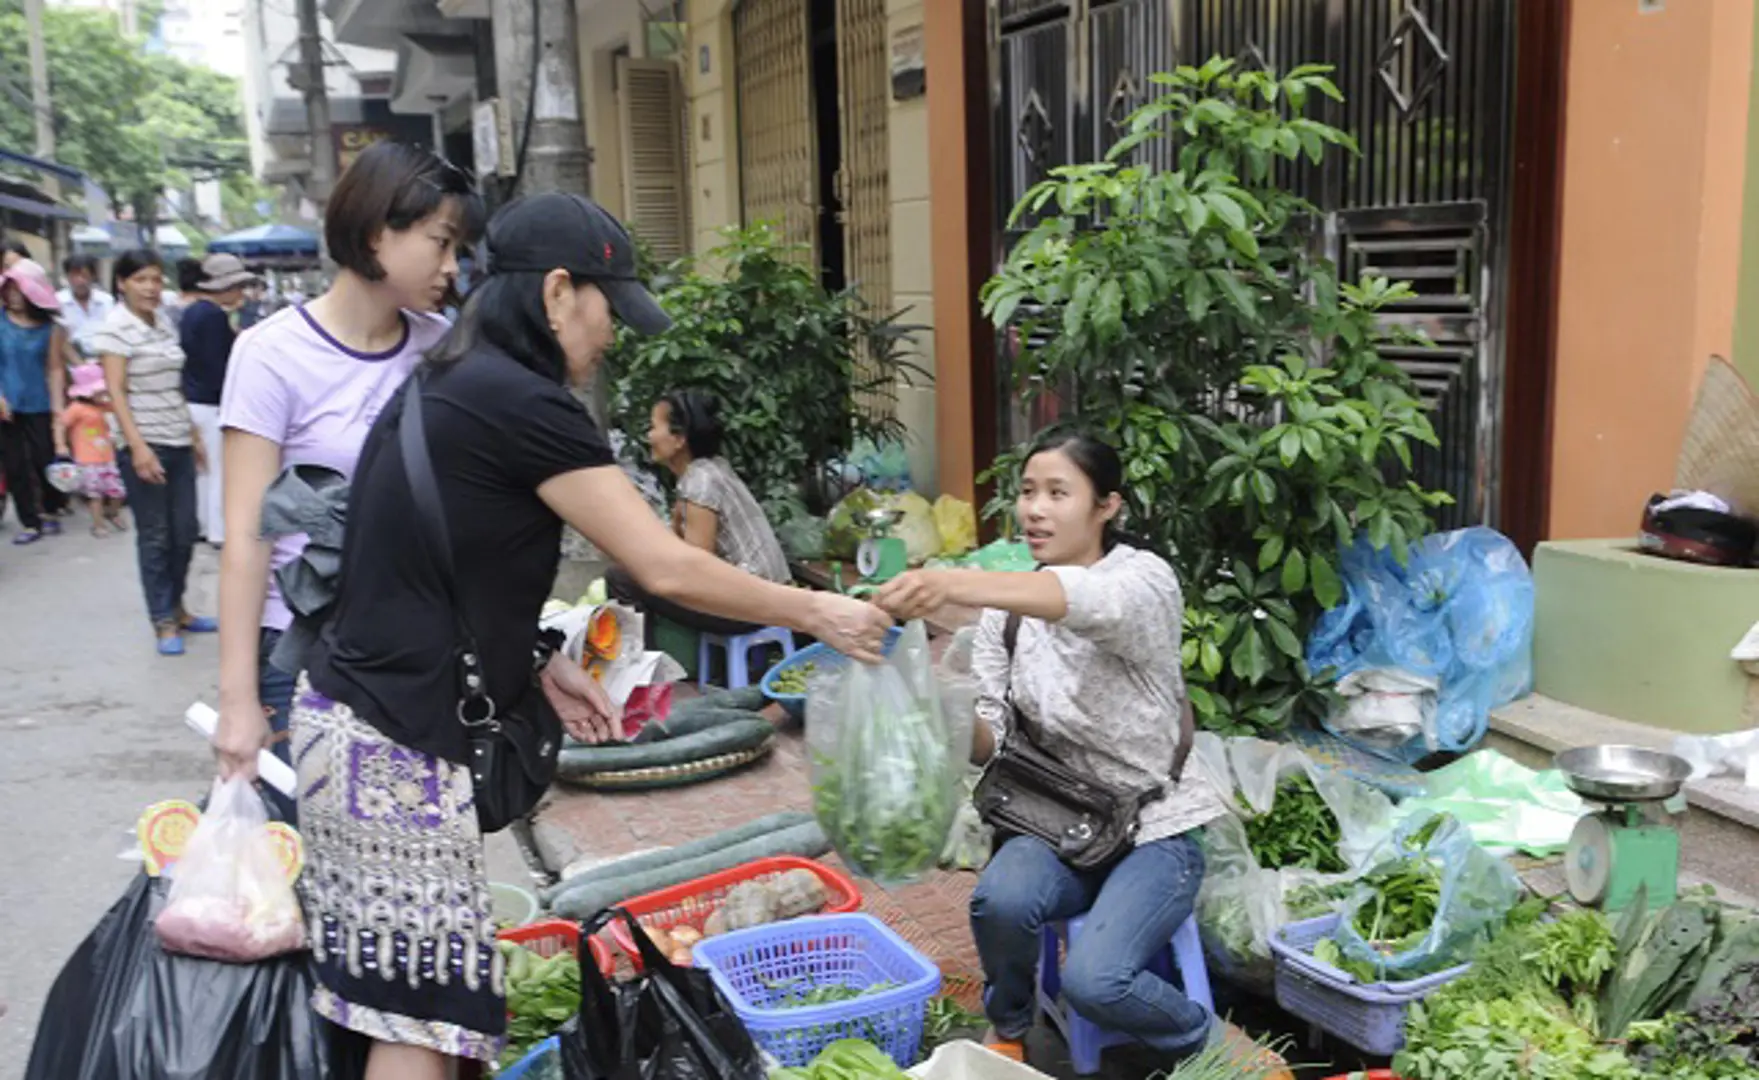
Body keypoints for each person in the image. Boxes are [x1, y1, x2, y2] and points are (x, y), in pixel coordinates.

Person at [212, 191, 893, 1080]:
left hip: (357, 728)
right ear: (560, 293)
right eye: (609, 310)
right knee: (420, 1021)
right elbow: (666, 566)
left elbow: (437, 563)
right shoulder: (522, 402)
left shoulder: (453, 375)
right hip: (393, 749)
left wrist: (535, 662)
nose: (611, 336)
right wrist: (822, 611)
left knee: (425, 1008)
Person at [872, 430, 1281, 1072]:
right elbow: (992, 738)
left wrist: (952, 582)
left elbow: (1083, 602)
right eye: (1028, 492)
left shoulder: (1143, 581)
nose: (1035, 509)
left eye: (1058, 493)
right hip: (1058, 819)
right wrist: (936, 714)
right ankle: (1009, 1025)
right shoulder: (1005, 621)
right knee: (998, 900)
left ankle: (1195, 1036)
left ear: (1106, 506)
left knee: (1097, 983)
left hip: (1154, 831)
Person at [216, 142, 478, 767]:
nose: (452, 268)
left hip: (418, 648)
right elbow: (248, 539)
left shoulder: (443, 347)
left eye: (458, 250)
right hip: (303, 647)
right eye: (441, 243)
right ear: (375, 232)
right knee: (308, 851)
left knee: (408, 854)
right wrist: (238, 702)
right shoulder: (269, 355)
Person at [89, 248, 213, 655]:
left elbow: (176, 383)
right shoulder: (115, 329)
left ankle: (179, 609)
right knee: (156, 536)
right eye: (141, 279)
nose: (151, 288)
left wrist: (193, 435)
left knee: (184, 533)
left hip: (177, 437)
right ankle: (162, 620)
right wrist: (138, 447)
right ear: (122, 283)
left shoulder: (163, 322)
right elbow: (116, 393)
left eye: (157, 280)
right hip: (145, 444)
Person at [607, 390, 791, 641]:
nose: (649, 436)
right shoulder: (710, 469)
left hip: (751, 607)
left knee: (623, 578)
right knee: (638, 572)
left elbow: (695, 565)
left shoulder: (700, 481)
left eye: (653, 427)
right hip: (763, 596)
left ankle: (638, 671)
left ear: (680, 438)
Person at [180, 253, 259, 547]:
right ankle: (218, 530)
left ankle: (202, 525)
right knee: (219, 470)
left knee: (204, 470)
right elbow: (218, 367)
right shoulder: (212, 316)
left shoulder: (192, 312)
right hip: (212, 402)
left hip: (194, 400)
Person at [0, 259, 71, 542]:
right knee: (14, 464)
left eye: (19, 291)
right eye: (9, 291)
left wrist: (57, 410)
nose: (13, 297)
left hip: (39, 401)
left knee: (45, 457)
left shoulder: (51, 329)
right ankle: (29, 521)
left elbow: (54, 369)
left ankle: (50, 510)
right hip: (6, 404)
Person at [59, 363, 127, 535]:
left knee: (117, 490)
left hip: (108, 457)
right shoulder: (77, 409)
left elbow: (121, 407)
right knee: (94, 494)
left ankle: (113, 512)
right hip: (87, 460)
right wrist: (60, 444)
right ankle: (98, 524)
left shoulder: (103, 406)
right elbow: (61, 424)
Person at [57, 254, 115, 362]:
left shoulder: (106, 301)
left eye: (84, 276)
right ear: (67, 277)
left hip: (103, 359)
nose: (80, 281)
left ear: (93, 276)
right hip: (70, 361)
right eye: (74, 276)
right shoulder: (58, 302)